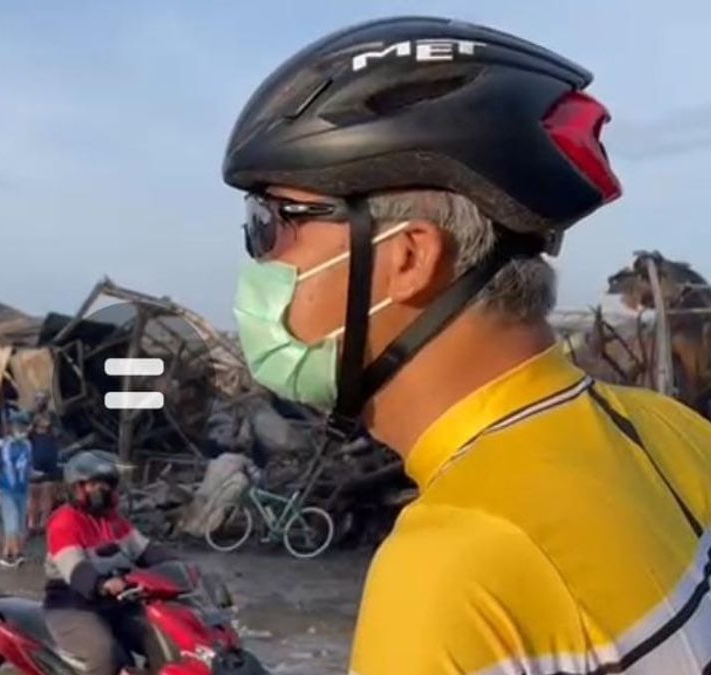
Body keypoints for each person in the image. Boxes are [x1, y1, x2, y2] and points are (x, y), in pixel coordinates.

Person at [223, 16, 711, 675]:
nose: (259, 260)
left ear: (409, 257)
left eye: (273, 221)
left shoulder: (448, 568)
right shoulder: (670, 430)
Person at [43, 450, 174, 675]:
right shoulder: (64, 522)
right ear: (77, 487)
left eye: (106, 484)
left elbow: (145, 550)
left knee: (165, 638)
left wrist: (181, 568)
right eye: (94, 484)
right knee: (104, 655)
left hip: (117, 603)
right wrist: (101, 584)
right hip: (73, 605)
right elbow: (76, 569)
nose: (102, 489)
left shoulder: (113, 520)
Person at [0, 410, 33, 568]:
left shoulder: (27, 445)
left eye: (24, 425)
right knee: (11, 523)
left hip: (23, 490)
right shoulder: (1, 446)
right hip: (6, 489)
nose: (22, 429)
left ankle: (10, 552)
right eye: (18, 425)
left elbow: (28, 468)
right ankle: (14, 555)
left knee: (20, 524)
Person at [28, 413, 62, 534]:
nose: (45, 421)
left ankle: (44, 523)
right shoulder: (31, 434)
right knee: (34, 495)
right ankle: (32, 522)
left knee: (47, 494)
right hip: (36, 465)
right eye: (42, 419)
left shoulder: (52, 433)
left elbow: (59, 434)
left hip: (50, 465)